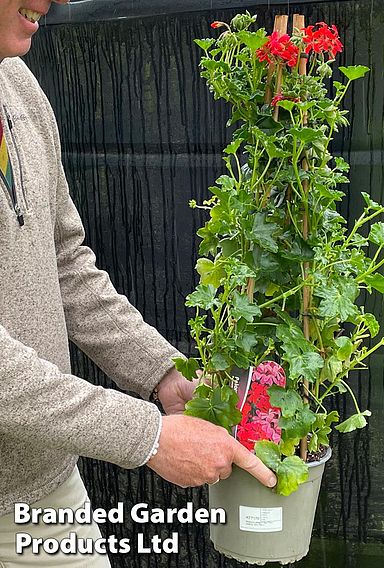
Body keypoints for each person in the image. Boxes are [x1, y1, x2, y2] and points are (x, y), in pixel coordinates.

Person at [0, 1, 277, 566]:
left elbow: (63, 260)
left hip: (38, 478)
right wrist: (145, 437)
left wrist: (161, 375)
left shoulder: (16, 88)